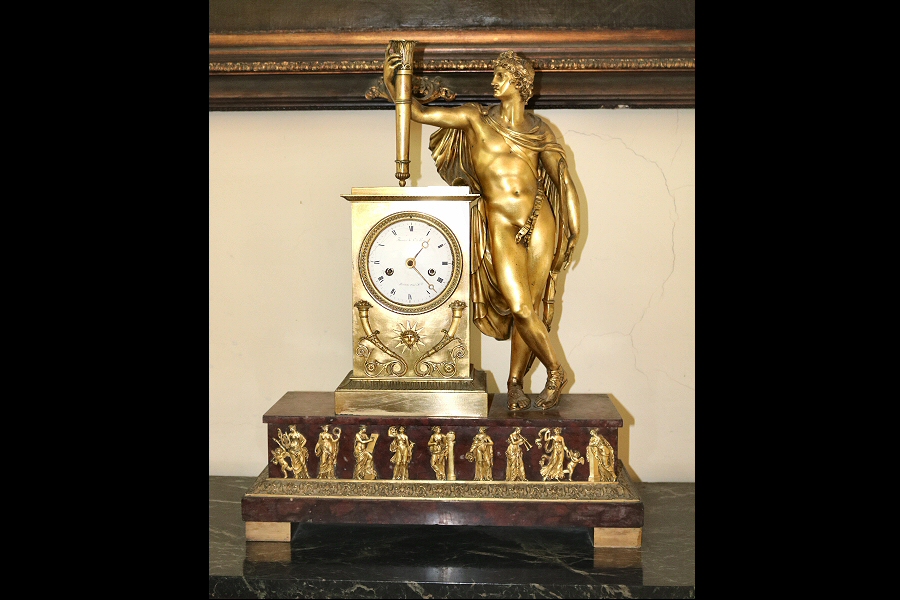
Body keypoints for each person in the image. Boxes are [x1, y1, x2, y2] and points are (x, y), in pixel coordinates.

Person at [383, 49, 581, 411]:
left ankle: (515, 384)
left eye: (500, 76)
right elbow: (416, 112)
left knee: (532, 307)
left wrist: (574, 229)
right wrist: (391, 79)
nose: (493, 82)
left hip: (540, 218)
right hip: (499, 220)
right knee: (520, 306)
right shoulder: (476, 119)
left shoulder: (539, 131)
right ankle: (555, 371)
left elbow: (563, 180)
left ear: (520, 84)